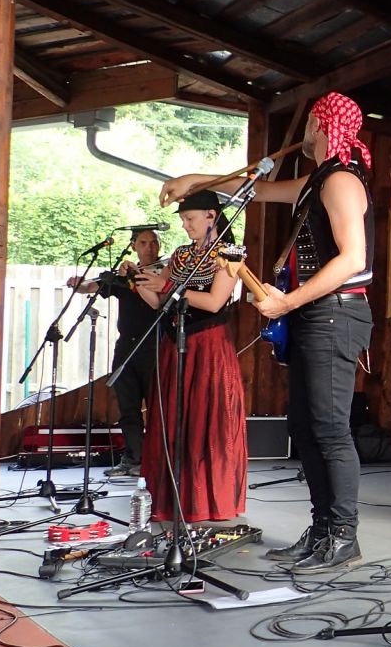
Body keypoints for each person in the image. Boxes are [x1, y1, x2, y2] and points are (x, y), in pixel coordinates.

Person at [158, 91, 374, 573]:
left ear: (321, 125)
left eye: (311, 121)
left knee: (329, 429)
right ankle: (323, 531)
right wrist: (197, 181)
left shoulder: (341, 180)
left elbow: (353, 259)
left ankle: (344, 537)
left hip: (335, 314)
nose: (306, 131)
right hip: (314, 315)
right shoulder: (318, 180)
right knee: (305, 427)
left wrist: (288, 301)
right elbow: (257, 190)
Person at [132, 191, 248, 523]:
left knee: (205, 420)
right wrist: (138, 281)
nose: (185, 225)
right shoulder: (182, 254)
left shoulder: (231, 253)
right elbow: (160, 303)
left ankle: (207, 500)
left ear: (212, 215)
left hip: (208, 346)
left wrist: (166, 286)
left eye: (190, 218)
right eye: (183, 219)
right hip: (176, 343)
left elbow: (213, 302)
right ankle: (174, 497)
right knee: (175, 419)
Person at [66, 229, 163, 478]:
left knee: (158, 408)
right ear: (133, 246)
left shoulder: (164, 273)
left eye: (154, 242)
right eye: (144, 243)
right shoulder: (122, 276)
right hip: (127, 346)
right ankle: (133, 458)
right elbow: (94, 286)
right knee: (128, 406)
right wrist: (78, 284)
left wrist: (136, 274)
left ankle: (158, 461)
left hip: (156, 346)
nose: (150, 247)